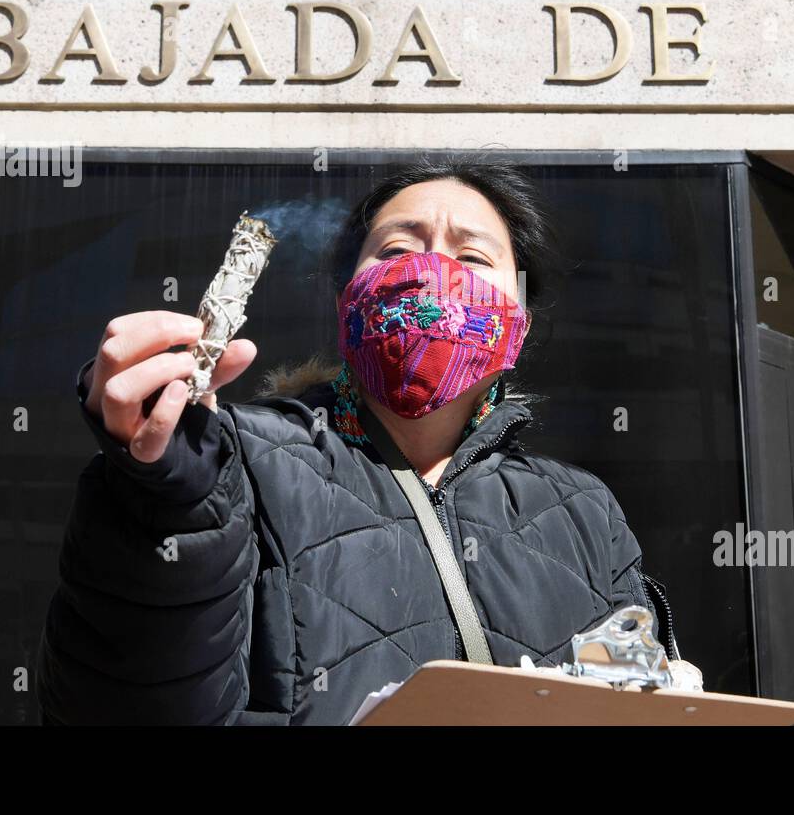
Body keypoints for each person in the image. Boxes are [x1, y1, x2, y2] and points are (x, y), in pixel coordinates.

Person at [37, 156, 683, 725]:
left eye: (473, 258)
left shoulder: (585, 511)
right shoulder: (241, 462)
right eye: (397, 252)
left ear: (518, 319)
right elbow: (132, 703)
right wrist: (166, 498)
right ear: (350, 300)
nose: (432, 273)